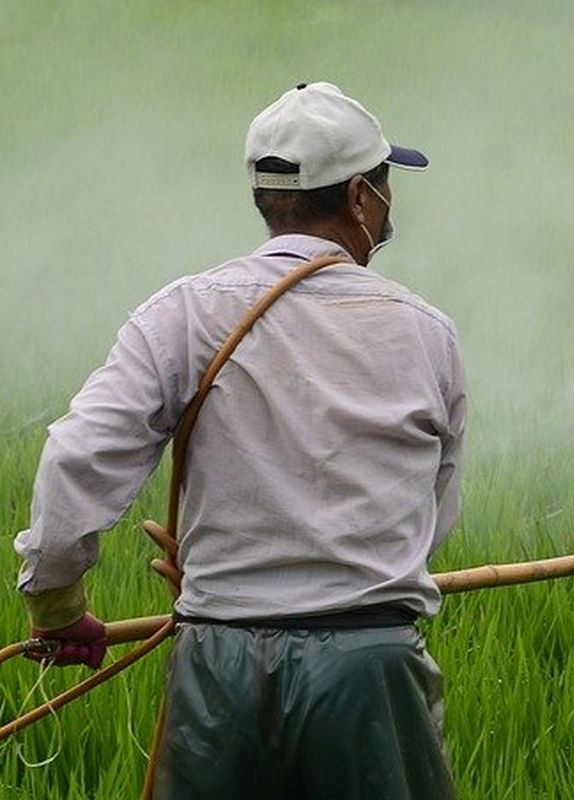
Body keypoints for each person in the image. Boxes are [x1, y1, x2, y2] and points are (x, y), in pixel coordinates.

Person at [12, 81, 466, 798]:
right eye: (384, 187)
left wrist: (59, 609)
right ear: (357, 198)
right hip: (370, 670)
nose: (386, 206)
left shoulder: (182, 314)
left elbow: (77, 457)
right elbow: (432, 517)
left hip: (217, 668)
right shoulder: (424, 332)